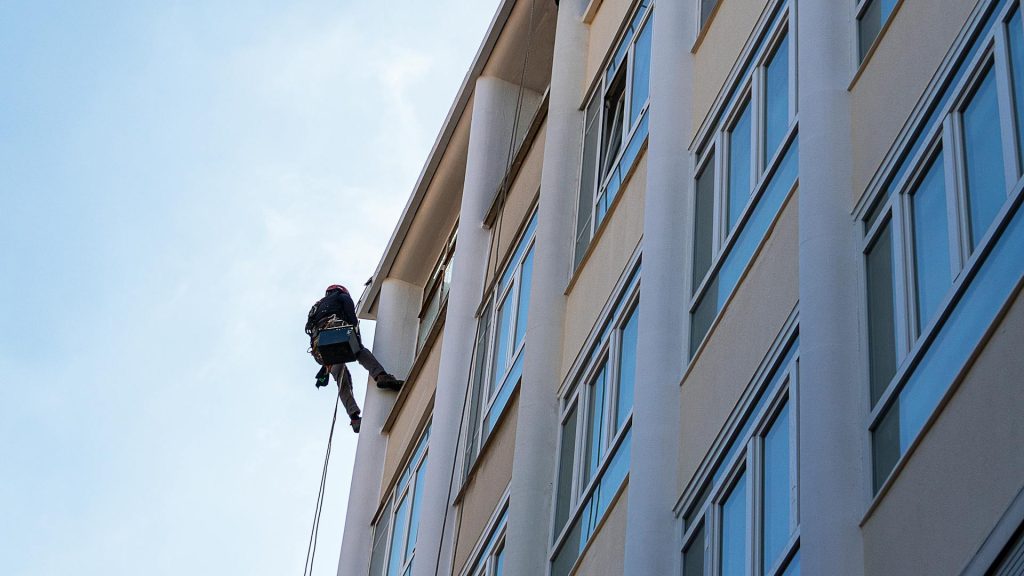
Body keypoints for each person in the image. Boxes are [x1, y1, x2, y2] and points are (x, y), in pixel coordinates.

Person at [305, 285, 403, 433]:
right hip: (334, 332)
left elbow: (309, 329)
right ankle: (381, 376)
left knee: (341, 378)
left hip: (320, 348)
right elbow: (351, 317)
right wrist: (355, 339)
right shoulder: (341, 296)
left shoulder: (316, 307)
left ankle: (354, 418)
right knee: (360, 352)